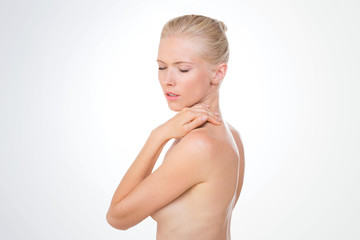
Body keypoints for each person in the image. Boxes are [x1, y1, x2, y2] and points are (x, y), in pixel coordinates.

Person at [106, 14, 245, 240]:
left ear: (218, 73)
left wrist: (158, 135)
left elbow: (117, 217)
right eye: (162, 67)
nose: (167, 80)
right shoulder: (231, 136)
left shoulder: (199, 145)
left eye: (183, 69)